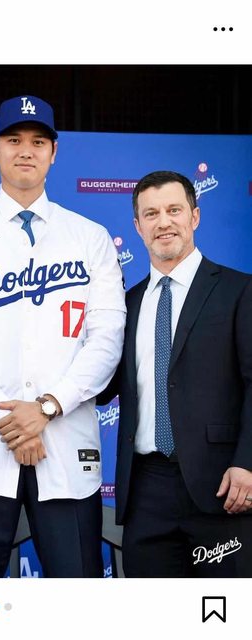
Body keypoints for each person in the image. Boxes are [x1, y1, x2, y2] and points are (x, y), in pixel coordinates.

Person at [0, 95, 126, 577]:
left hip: (66, 447)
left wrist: (47, 407)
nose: (25, 150)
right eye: (13, 140)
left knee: (77, 596)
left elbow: (106, 339)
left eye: (38, 141)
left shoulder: (90, 237)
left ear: (54, 152)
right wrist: (11, 419)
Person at [99, 170, 252, 577]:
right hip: (145, 490)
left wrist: (248, 464)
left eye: (174, 210)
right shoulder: (125, 304)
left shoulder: (240, 291)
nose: (163, 222)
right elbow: (101, 385)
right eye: (151, 214)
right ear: (138, 226)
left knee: (224, 611)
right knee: (153, 612)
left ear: (195, 216)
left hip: (223, 485)